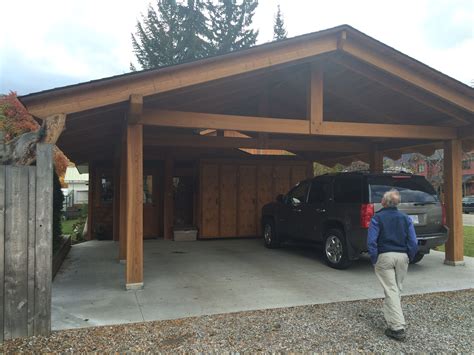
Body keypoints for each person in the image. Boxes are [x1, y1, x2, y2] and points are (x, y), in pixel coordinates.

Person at [367, 189, 418, 341]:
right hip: (402, 256)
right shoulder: (405, 218)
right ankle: (393, 322)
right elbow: (413, 241)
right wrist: (409, 256)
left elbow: (371, 241)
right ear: (397, 203)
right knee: (396, 289)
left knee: (391, 290)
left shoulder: (377, 218)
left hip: (385, 256)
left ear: (384, 202)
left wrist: (374, 258)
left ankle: (397, 327)